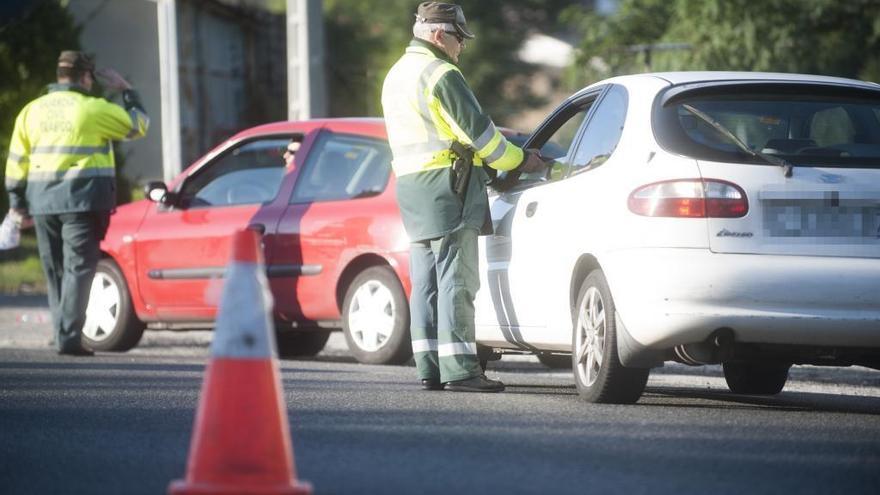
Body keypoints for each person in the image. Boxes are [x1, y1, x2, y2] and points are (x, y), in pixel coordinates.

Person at [381, 2, 546, 392]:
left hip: (412, 193)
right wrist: (523, 161)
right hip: (448, 189)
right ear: (439, 34)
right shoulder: (441, 73)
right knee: (458, 281)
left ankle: (430, 366)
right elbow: (486, 140)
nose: (462, 48)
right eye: (459, 39)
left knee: (425, 284)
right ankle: (461, 371)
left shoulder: (396, 74)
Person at [4, 51, 149, 356]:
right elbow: (139, 125)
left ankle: (62, 332)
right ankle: (68, 337)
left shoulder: (32, 110)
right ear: (85, 77)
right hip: (80, 201)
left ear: (59, 75)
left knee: (56, 270)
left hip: (42, 202)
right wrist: (126, 90)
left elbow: (17, 161)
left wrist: (17, 204)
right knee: (79, 268)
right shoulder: (93, 108)